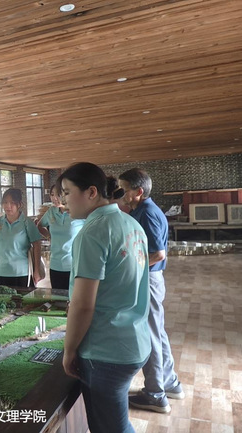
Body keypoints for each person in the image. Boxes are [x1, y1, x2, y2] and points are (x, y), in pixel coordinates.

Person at [60, 163, 150, 433]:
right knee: (116, 424)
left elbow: (83, 305)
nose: (63, 200)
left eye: (67, 192)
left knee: (109, 428)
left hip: (106, 350)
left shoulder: (93, 232)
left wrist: (69, 350)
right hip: (134, 340)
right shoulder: (130, 223)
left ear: (91, 192)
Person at [119, 168, 184, 413]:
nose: (121, 194)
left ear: (138, 191)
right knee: (157, 331)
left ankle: (155, 394)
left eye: (124, 190)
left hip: (149, 279)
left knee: (149, 334)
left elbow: (158, 253)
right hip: (151, 279)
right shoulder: (142, 210)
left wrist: (132, 267)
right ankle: (170, 383)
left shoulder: (147, 213)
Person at [0, 188, 43, 288]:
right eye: (5, 202)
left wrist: (36, 270)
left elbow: (37, 245)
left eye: (12, 203)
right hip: (1, 272)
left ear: (19, 204)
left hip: (22, 272)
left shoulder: (26, 222)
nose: (8, 206)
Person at [36, 183, 85, 291]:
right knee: (57, 297)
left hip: (73, 265)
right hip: (55, 264)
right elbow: (39, 226)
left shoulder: (77, 213)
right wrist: (49, 236)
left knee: (72, 297)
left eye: (58, 194)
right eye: (52, 194)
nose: (54, 198)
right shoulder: (51, 212)